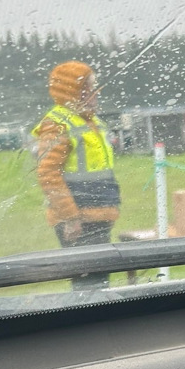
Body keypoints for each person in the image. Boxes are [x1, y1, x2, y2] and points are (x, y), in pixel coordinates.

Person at [31, 61, 121, 288]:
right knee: (88, 286)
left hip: (97, 215)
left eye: (95, 87)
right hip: (78, 220)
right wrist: (70, 218)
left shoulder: (89, 121)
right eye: (88, 88)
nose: (95, 93)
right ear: (72, 92)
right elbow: (48, 174)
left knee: (97, 281)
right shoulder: (57, 124)